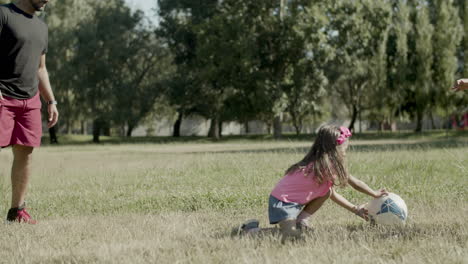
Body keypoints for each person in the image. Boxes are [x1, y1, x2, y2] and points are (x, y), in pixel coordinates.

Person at [234, 125, 387, 239]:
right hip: (283, 202)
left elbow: (330, 194)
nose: (346, 151)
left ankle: (301, 220)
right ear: (335, 148)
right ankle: (248, 231)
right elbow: (354, 182)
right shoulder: (326, 164)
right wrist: (374, 193)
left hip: (294, 202)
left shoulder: (322, 163)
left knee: (326, 191)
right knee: (291, 236)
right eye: (344, 148)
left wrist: (355, 209)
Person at [0, 0, 58, 224]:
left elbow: (40, 69)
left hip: (30, 99)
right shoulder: (3, 14)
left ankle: (17, 211)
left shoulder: (41, 27)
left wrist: (51, 100)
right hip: (3, 96)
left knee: (25, 153)